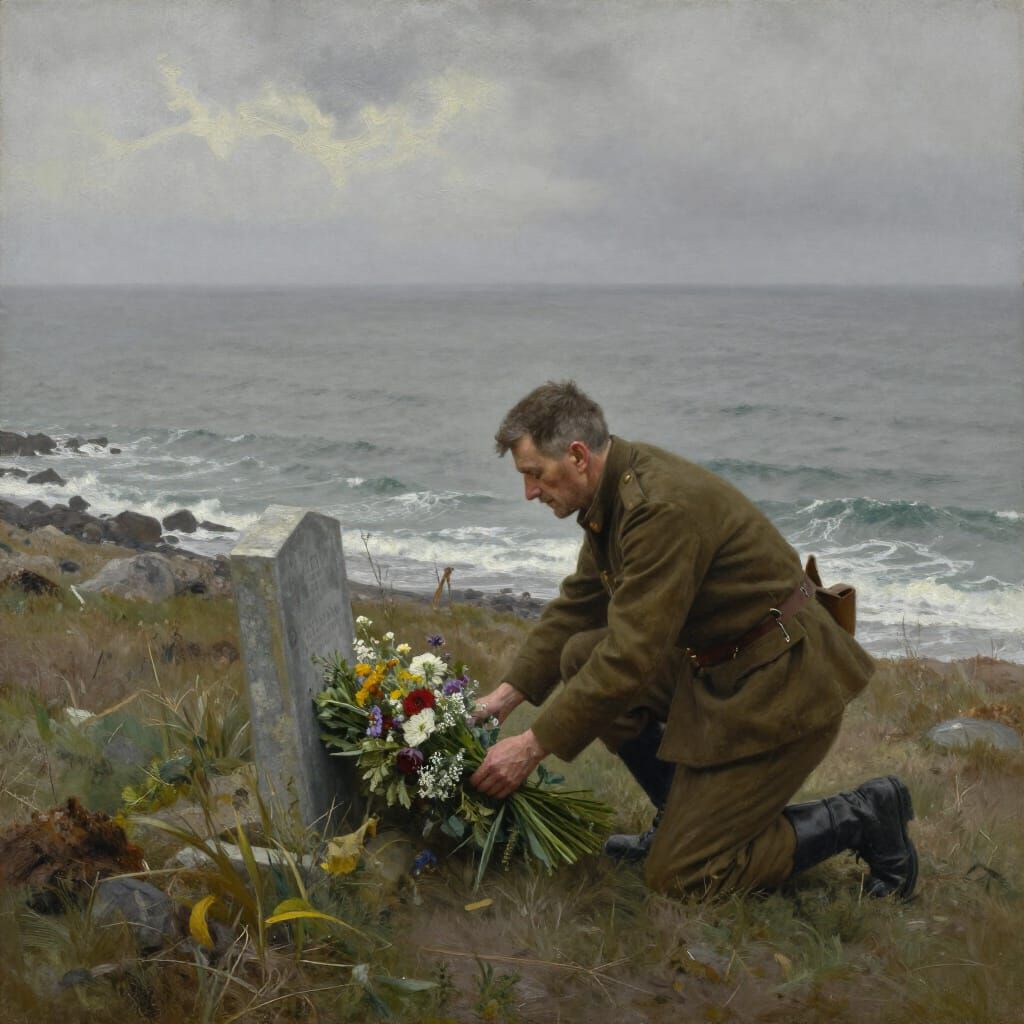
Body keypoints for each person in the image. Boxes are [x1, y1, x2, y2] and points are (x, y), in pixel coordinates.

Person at [469, 380, 917, 901]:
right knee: (579, 653)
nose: (529, 492)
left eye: (534, 475)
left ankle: (861, 815)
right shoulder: (612, 494)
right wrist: (504, 698)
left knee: (683, 877)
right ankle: (679, 816)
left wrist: (531, 747)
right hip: (725, 667)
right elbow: (580, 604)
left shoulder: (657, 510)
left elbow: (629, 658)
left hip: (783, 686)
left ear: (576, 456)